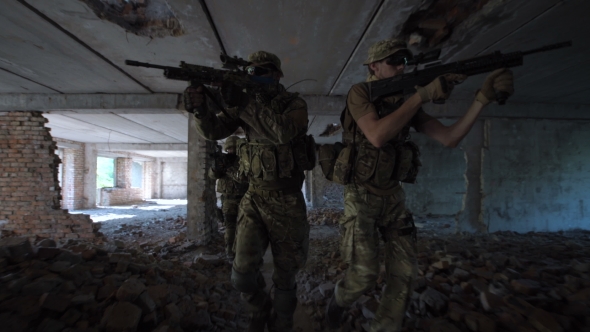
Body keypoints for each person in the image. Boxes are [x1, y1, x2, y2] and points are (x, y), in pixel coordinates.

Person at [325, 39, 514, 331]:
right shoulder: (360, 92)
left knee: (404, 273)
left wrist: (481, 99)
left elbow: (450, 138)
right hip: (360, 195)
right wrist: (421, 95)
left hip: (393, 197)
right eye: (393, 62)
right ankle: (337, 301)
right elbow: (376, 135)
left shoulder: (405, 101)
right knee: (363, 274)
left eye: (404, 62)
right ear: (374, 66)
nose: (400, 67)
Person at [184, 51, 315, 332]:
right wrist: (200, 110)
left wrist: (244, 102)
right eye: (252, 72)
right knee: (241, 275)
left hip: (287, 200)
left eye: (263, 71)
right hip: (253, 197)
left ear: (278, 75)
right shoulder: (246, 104)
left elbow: (282, 133)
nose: (256, 76)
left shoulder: (294, 103)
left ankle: (282, 322)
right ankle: (260, 309)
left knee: (286, 275)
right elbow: (213, 130)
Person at [208, 136, 248, 262]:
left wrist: (229, 168)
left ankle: (244, 253)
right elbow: (213, 175)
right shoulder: (224, 160)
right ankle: (230, 252)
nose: (232, 150)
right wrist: (216, 166)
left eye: (235, 148)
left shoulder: (245, 160)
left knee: (245, 227)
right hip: (228, 199)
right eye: (230, 148)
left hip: (244, 199)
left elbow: (245, 177)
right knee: (230, 227)